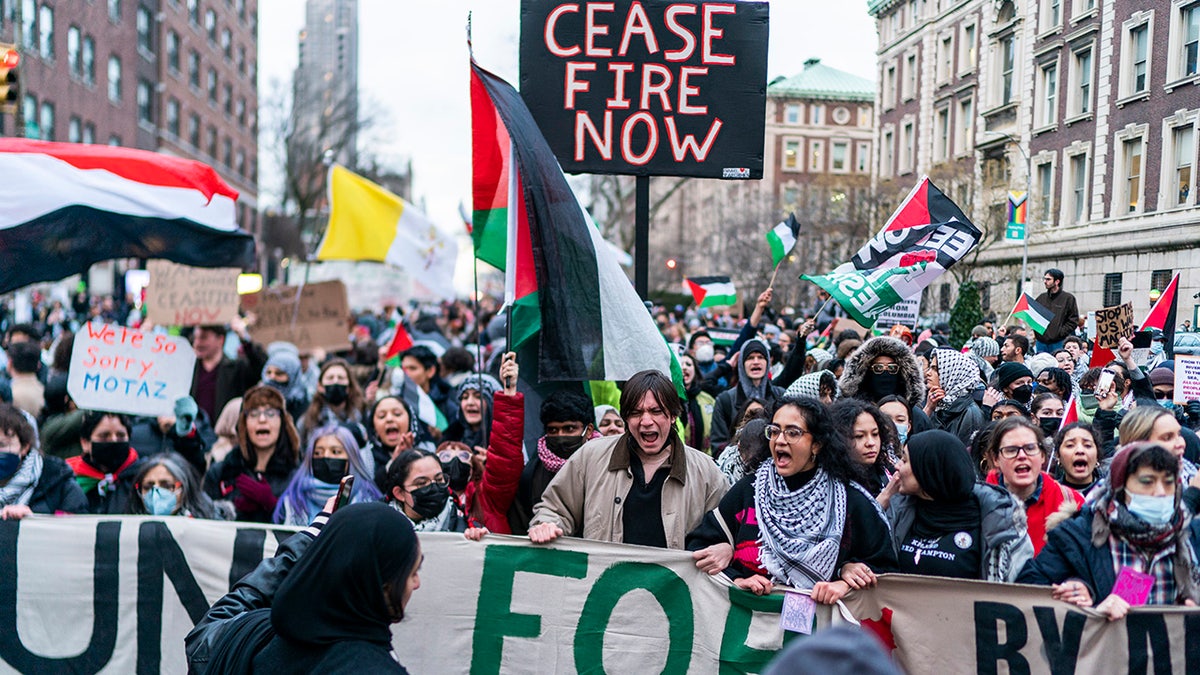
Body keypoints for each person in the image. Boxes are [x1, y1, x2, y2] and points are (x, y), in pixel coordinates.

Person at [686, 397, 898, 602]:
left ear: (817, 444)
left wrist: (846, 578)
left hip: (822, 634)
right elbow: (698, 549)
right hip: (752, 631)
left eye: (793, 432)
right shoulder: (748, 491)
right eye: (775, 431)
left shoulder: (850, 501)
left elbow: (886, 573)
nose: (780, 439)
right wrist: (735, 575)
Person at [186, 501, 422, 673]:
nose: (417, 583)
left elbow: (204, 637)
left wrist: (310, 536)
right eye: (412, 572)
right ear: (376, 585)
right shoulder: (373, 669)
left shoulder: (255, 638)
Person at [530, 370, 728, 549]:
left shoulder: (706, 473)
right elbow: (555, 508)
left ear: (673, 415)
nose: (646, 421)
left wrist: (725, 548)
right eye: (636, 413)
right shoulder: (591, 456)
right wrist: (547, 524)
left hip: (673, 589)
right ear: (625, 418)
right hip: (605, 586)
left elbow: (728, 531)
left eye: (656, 411)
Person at [1018, 443, 1200, 619]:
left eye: (1168, 483)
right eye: (1147, 482)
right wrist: (1081, 595)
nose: (1160, 492)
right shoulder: (1079, 535)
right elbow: (1026, 588)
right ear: (1120, 488)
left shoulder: (1191, 535)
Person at [883, 430, 1034, 581]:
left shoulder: (998, 522)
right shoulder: (898, 512)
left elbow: (1022, 585)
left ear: (929, 468)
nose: (897, 466)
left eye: (904, 460)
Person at [984, 417, 1085, 554]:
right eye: (1011, 450)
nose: (1021, 456)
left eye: (1030, 448)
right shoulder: (977, 505)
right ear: (996, 459)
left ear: (1042, 456)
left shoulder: (1074, 502)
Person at [204, 386, 301, 522]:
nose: (262, 419)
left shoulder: (297, 476)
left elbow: (304, 528)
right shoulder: (221, 473)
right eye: (254, 413)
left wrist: (273, 505)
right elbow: (204, 521)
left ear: (282, 423)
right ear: (244, 424)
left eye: (270, 413)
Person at [274, 424, 383, 526]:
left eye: (335, 452)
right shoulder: (292, 501)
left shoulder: (369, 500)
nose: (326, 457)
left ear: (351, 459)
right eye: (318, 453)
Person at [0, 403, 86, 519]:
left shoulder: (60, 484)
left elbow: (77, 530)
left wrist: (35, 520)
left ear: (25, 446)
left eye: (2, 445)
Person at [839, 336, 932, 435]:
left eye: (892, 368)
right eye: (878, 368)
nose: (885, 373)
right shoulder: (850, 414)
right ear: (866, 372)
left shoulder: (916, 416)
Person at [710, 338, 784, 452]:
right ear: (742, 364)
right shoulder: (725, 400)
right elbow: (718, 444)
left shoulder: (780, 396)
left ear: (768, 362)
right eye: (750, 358)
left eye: (760, 357)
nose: (756, 361)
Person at [67, 410, 146, 514]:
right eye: (104, 436)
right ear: (85, 443)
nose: (113, 440)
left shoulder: (142, 478)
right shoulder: (69, 480)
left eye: (120, 435)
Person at [189, 321, 268, 424]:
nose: (197, 343)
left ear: (220, 340)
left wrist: (244, 339)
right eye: (195, 338)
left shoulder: (236, 368)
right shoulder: (189, 368)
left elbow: (261, 367)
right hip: (192, 434)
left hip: (223, 434)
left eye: (203, 338)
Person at [382, 449, 468, 532]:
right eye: (422, 483)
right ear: (400, 493)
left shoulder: (466, 529)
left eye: (439, 479)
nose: (434, 488)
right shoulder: (381, 530)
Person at [128, 452, 227, 519]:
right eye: (148, 487)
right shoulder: (129, 528)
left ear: (184, 487)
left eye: (167, 486)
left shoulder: (209, 525)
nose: (155, 494)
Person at [829, 399, 896, 496]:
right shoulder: (831, 486)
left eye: (875, 434)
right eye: (859, 436)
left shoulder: (889, 473)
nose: (871, 443)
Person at [298, 359, 368, 447]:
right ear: (320, 386)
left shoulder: (362, 415)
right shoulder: (307, 421)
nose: (336, 381)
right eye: (330, 378)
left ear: (349, 387)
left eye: (341, 378)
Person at [924, 349, 985, 450]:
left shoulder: (970, 413)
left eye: (935, 369)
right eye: (930, 368)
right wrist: (928, 408)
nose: (928, 373)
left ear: (953, 374)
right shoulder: (938, 403)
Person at [1033, 270, 1079, 354]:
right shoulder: (1041, 298)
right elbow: (1034, 317)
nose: (1045, 281)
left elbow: (1073, 320)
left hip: (1059, 342)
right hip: (1041, 342)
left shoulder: (1068, 298)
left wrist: (1060, 333)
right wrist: (1038, 334)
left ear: (1057, 281)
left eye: (1048, 279)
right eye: (1044, 279)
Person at [1052, 423, 1104, 498]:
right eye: (1070, 445)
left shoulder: (1111, 495)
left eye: (1087, 445)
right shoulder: (1049, 495)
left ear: (1097, 456)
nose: (1080, 450)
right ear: (1058, 456)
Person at [679, 353, 713, 454]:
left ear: (695, 370)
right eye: (680, 364)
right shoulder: (668, 399)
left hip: (704, 459)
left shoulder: (708, 400)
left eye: (689, 364)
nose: (684, 367)